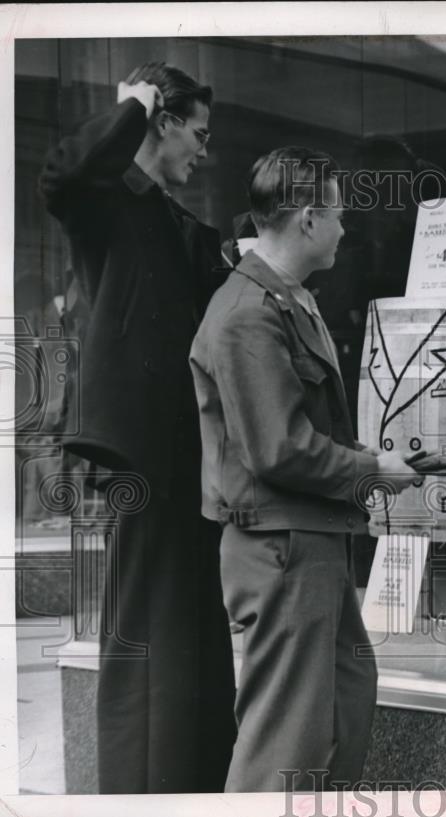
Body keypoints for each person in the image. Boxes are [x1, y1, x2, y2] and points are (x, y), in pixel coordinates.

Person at [190, 146, 441, 792]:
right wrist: (373, 467)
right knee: (286, 741)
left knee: (345, 704)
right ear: (306, 219)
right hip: (280, 549)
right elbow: (278, 447)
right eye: (337, 213)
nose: (344, 226)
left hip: (309, 543)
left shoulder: (287, 300)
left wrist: (377, 463)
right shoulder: (248, 314)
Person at [39, 62, 235, 793]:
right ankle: (142, 792)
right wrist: (131, 104)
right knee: (148, 629)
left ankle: (196, 783)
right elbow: (61, 175)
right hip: (141, 450)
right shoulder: (106, 197)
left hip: (188, 450)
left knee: (193, 625)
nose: (204, 151)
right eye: (198, 132)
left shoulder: (171, 219)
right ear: (163, 120)